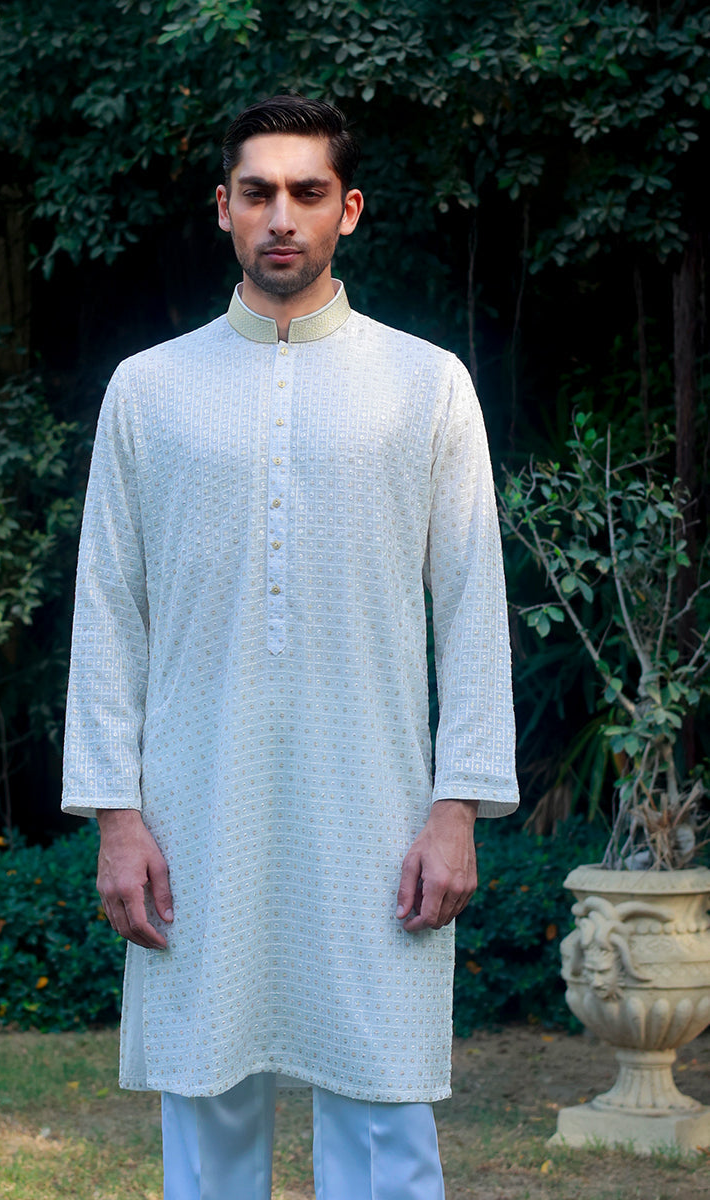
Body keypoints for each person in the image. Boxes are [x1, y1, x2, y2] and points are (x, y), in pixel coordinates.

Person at [62, 94, 519, 1200]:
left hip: (376, 809)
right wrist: (116, 815)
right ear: (221, 206)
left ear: (346, 210)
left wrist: (456, 807)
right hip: (193, 806)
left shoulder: (425, 385)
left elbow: (471, 606)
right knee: (206, 1112)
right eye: (257, 192)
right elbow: (109, 610)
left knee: (382, 1112)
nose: (281, 216)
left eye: (307, 192)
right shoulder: (149, 390)